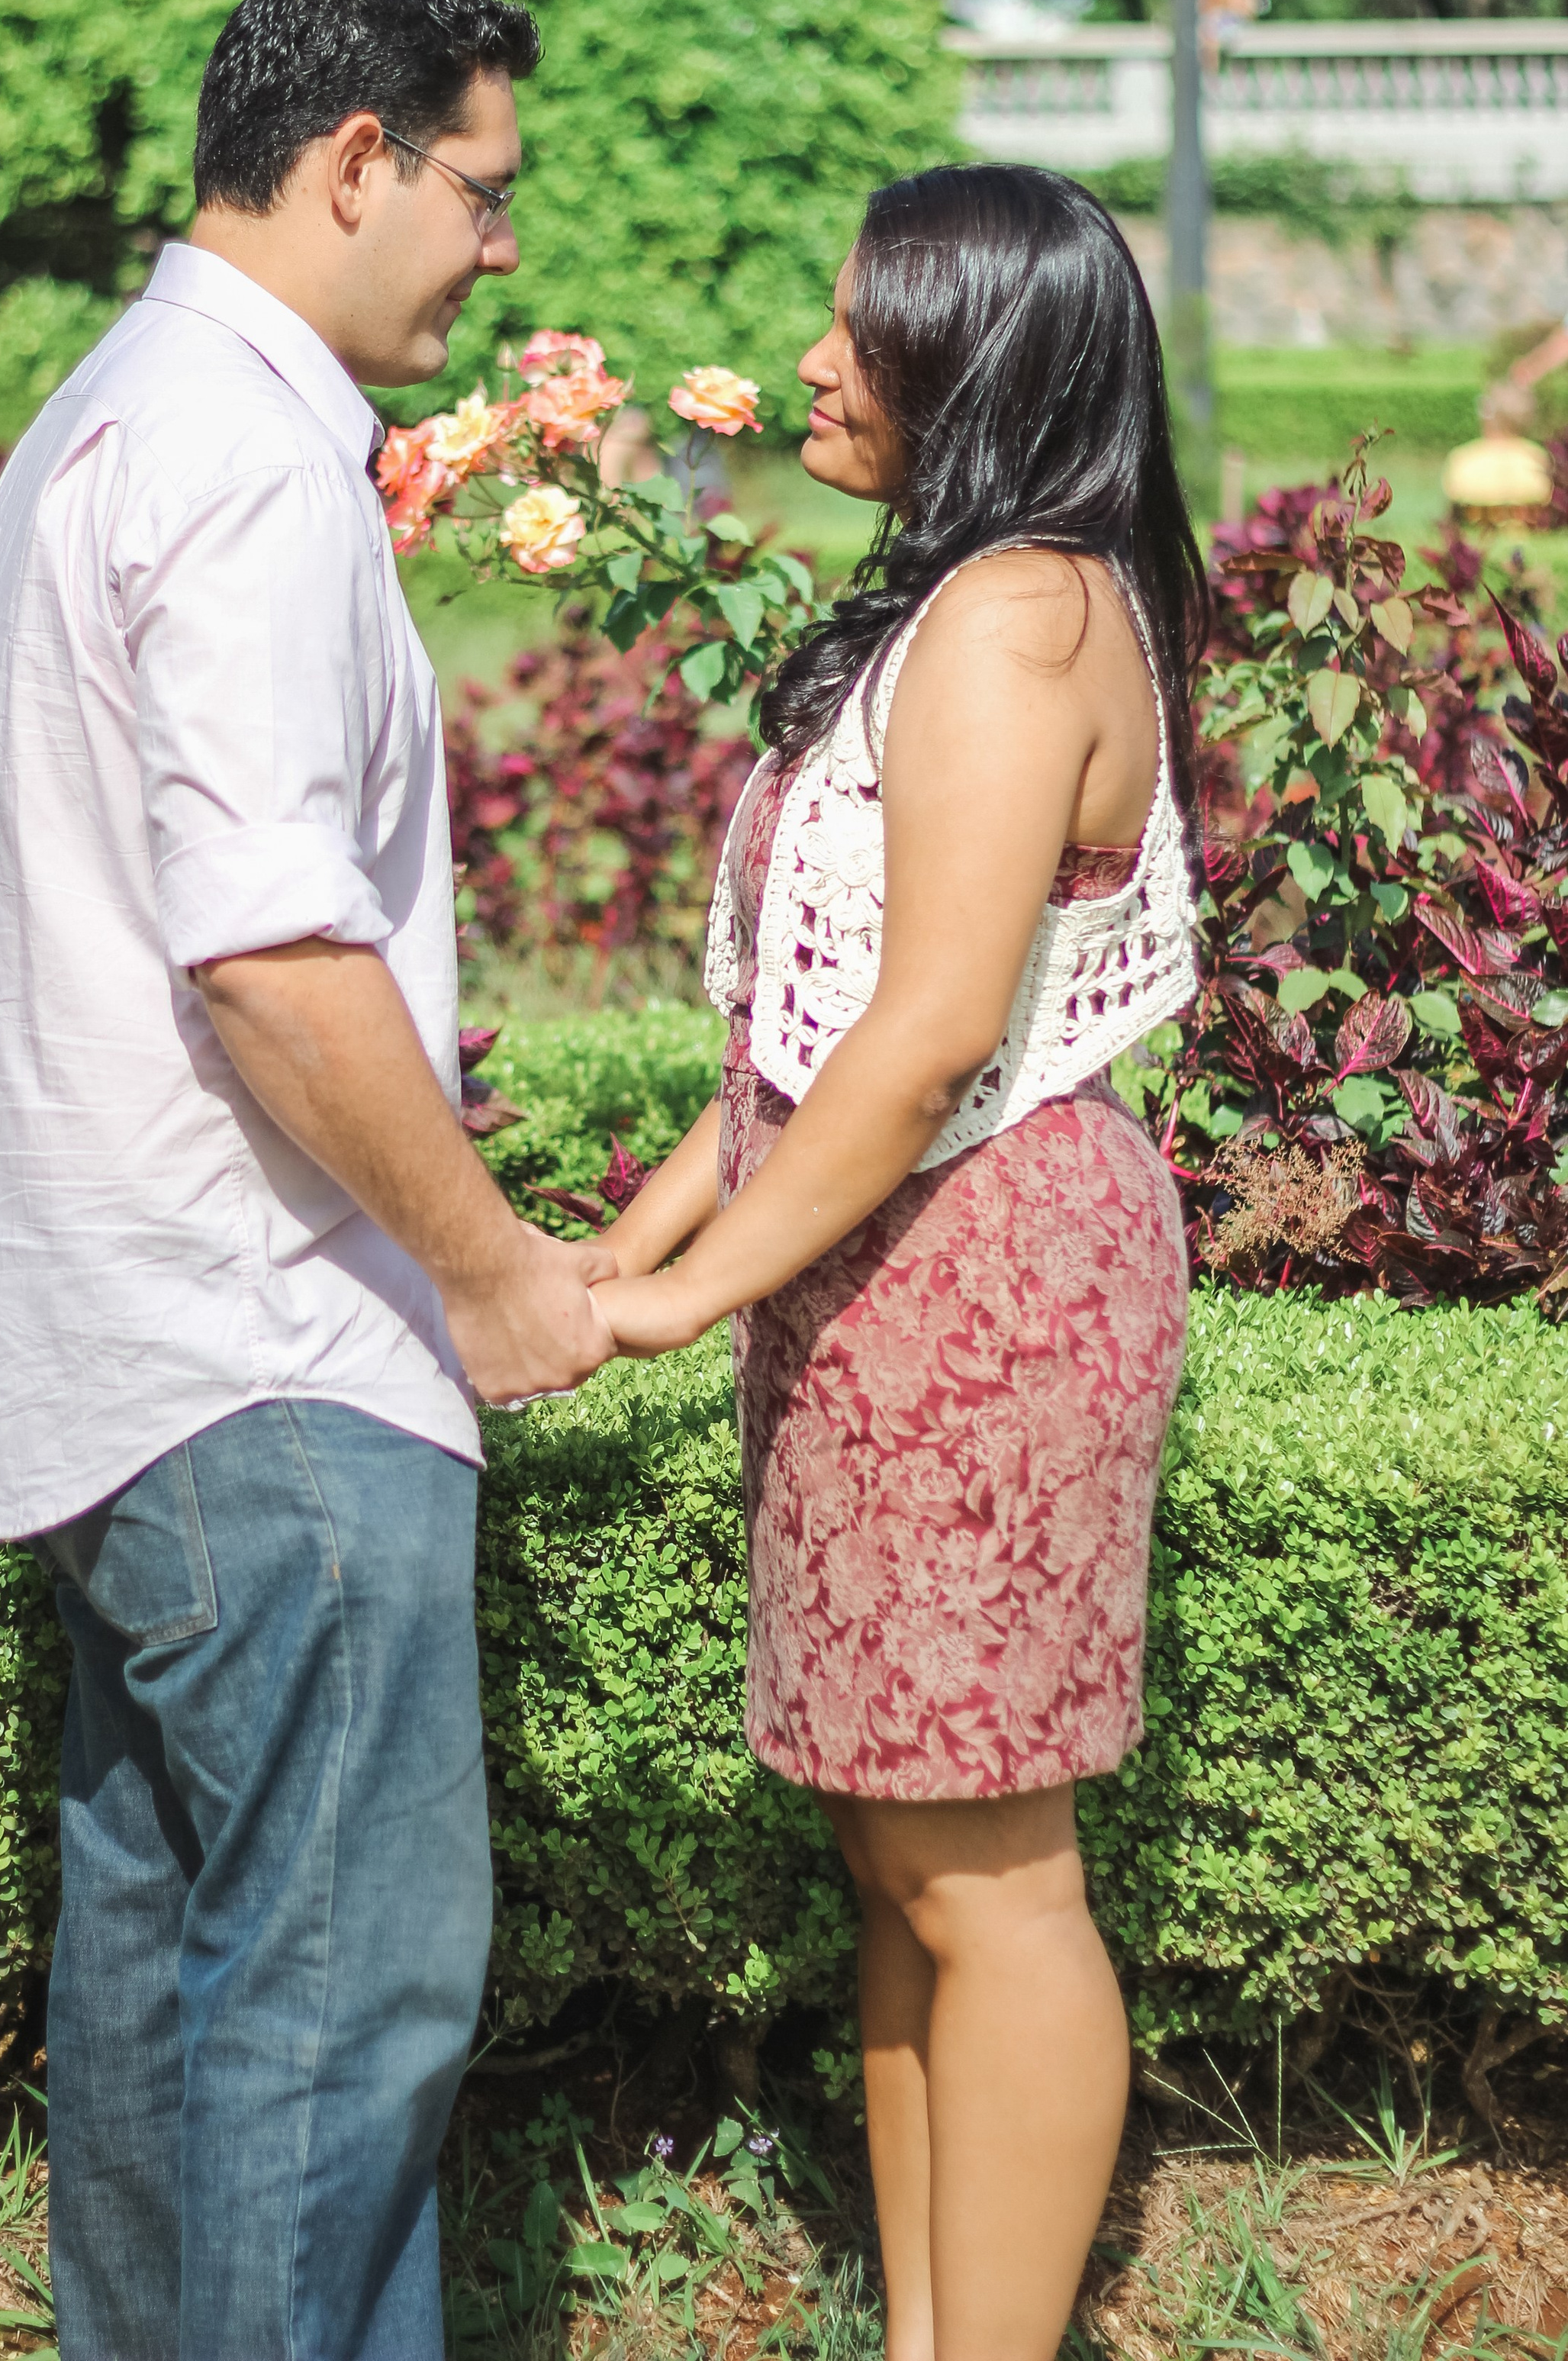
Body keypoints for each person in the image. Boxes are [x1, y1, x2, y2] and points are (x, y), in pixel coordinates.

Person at [0, 0, 613, 2361]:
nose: (496, 249)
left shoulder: (115, 413)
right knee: (339, 2012)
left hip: (127, 1360)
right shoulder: (241, 455)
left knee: (171, 1997)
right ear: (354, 163)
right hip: (267, 1364)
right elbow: (270, 952)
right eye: (480, 192)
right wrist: (495, 1264)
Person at [594, 163, 1208, 2361]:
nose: (816, 365)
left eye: (867, 333)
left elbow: (939, 1024)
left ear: (984, 365)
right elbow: (803, 1026)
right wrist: (643, 1249)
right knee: (895, 1853)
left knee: (985, 1873)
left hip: (979, 1282)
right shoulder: (961, 600)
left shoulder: (1021, 615)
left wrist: (686, 1290)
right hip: (878, 1268)